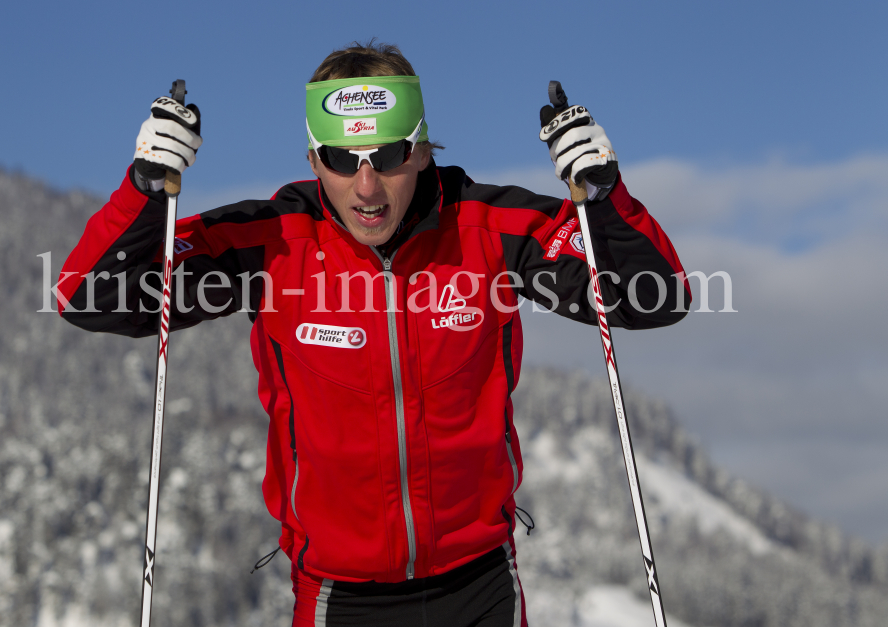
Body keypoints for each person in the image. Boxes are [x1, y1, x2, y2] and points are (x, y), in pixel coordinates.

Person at [58, 41, 689, 627]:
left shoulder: (491, 227)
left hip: (480, 587)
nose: (366, 186)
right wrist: (145, 190)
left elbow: (652, 298)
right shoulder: (271, 243)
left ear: (420, 150)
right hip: (339, 595)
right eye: (340, 160)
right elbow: (90, 298)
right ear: (313, 159)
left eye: (386, 157)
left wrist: (602, 195)